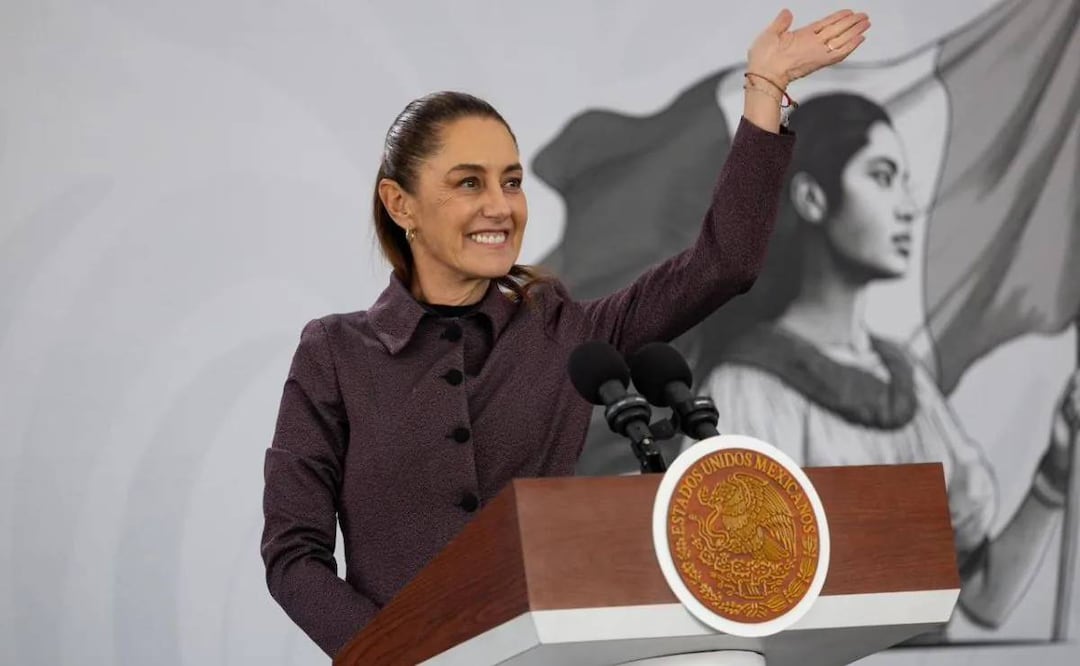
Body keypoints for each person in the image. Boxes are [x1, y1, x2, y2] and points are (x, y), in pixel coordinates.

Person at [261, 9, 871, 657]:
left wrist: (764, 90)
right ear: (399, 203)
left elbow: (725, 263)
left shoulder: (565, 333)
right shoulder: (333, 354)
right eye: (469, 183)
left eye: (512, 182)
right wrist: (397, 654)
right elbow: (293, 553)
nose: (501, 206)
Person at [690, 92, 1080, 632]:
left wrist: (1056, 472)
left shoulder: (909, 383)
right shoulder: (746, 389)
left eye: (903, 181)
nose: (906, 206)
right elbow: (736, 597)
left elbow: (985, 600)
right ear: (812, 198)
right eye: (881, 175)